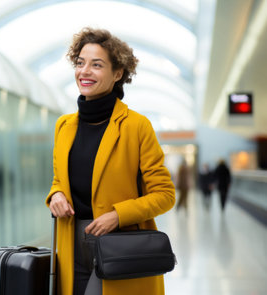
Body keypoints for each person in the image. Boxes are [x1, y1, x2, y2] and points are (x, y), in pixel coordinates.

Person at [45, 27, 176, 295]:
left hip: (119, 245)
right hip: (70, 244)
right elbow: (60, 180)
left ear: (118, 74)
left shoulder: (136, 126)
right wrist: (55, 194)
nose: (85, 71)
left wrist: (118, 215)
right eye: (80, 63)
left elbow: (165, 195)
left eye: (97, 65)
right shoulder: (64, 126)